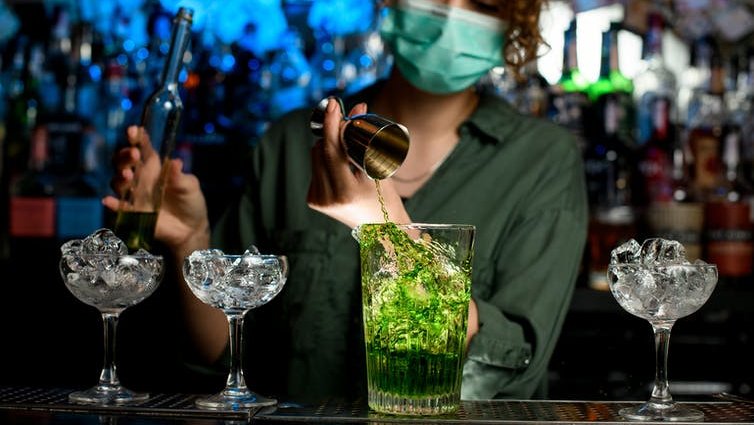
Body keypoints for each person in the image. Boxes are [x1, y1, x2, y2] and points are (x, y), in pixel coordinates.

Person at [105, 0, 587, 402]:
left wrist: (385, 226)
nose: (449, 16)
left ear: (513, 27)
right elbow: (222, 354)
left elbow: (507, 371)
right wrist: (190, 241)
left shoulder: (543, 162)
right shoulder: (291, 144)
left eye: (482, 4)